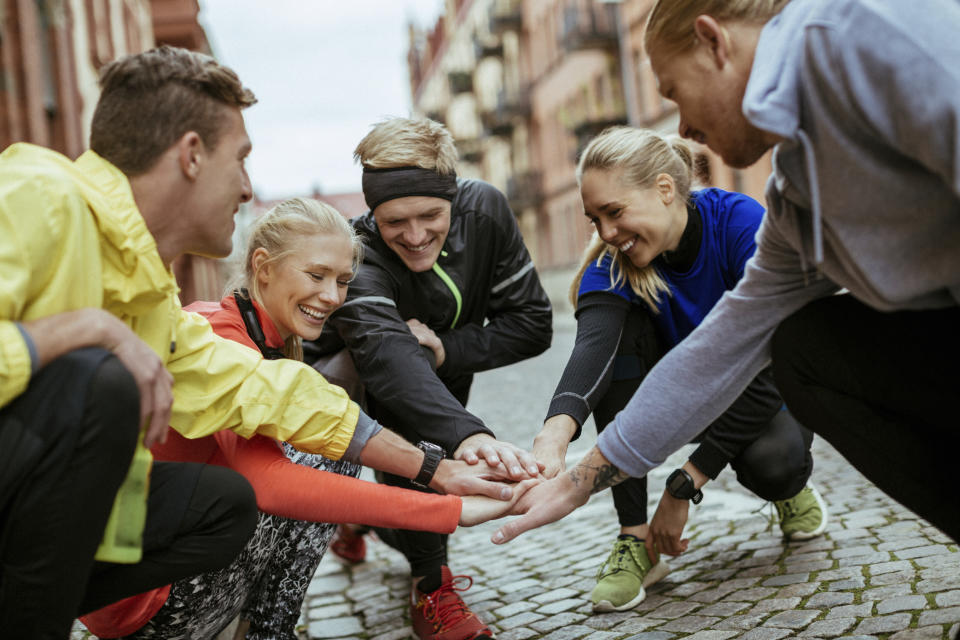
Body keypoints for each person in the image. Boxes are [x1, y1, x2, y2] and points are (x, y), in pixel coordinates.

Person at [0, 46, 510, 639]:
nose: (247, 189)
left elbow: (262, 390)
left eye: (341, 281)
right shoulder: (38, 194)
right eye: (240, 160)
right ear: (191, 155)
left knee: (223, 502)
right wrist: (80, 331)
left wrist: (438, 474)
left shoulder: (147, 284)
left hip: (67, 537)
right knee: (100, 378)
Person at [492, 0, 960, 547]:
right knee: (805, 347)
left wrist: (688, 477)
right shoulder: (796, 191)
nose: (684, 127)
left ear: (714, 42)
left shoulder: (866, 36)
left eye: (673, 92)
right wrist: (577, 481)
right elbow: (726, 345)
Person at [80, 197, 533, 640]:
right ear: (263, 267)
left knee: (326, 441)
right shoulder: (223, 335)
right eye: (316, 275)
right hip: (148, 606)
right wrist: (448, 506)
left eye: (342, 280)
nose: (332, 296)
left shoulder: (255, 335)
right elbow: (271, 483)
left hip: (152, 587)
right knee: (329, 458)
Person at [532, 126, 826, 612]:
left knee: (774, 465)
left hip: (760, 389)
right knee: (619, 349)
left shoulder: (737, 224)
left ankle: (790, 489)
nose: (606, 233)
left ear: (665, 189)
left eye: (615, 212)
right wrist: (553, 435)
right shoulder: (615, 261)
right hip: (679, 403)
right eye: (595, 218)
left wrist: (686, 481)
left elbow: (777, 362)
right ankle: (634, 537)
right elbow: (593, 352)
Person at [306, 117, 553, 640]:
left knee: (433, 488)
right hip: (350, 380)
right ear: (373, 214)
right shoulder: (359, 251)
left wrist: (449, 349)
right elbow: (389, 363)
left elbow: (532, 325)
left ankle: (362, 520)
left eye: (431, 216)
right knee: (411, 419)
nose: (415, 236)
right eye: (395, 221)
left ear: (454, 198)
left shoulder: (484, 211)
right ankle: (432, 585)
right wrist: (472, 437)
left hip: (434, 374)